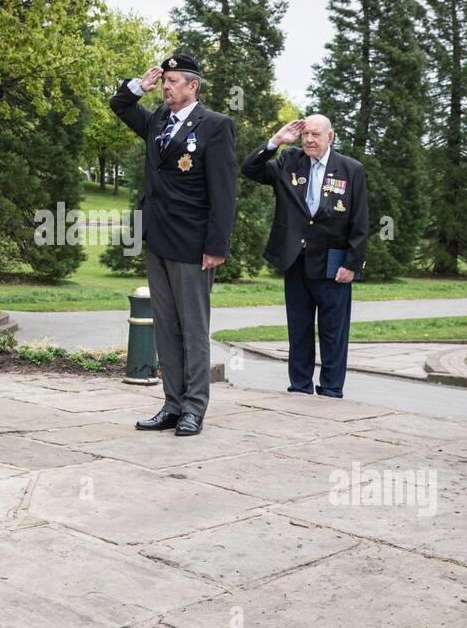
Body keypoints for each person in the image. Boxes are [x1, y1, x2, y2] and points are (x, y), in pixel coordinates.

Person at [109, 54, 237, 436]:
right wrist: (137, 87)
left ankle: (195, 407)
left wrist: (217, 245)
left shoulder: (214, 126)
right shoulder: (158, 122)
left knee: (193, 328)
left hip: (194, 245)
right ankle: (172, 403)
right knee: (165, 326)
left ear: (193, 86)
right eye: (164, 80)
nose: (166, 86)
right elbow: (120, 105)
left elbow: (224, 191)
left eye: (174, 81)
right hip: (159, 239)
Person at [241, 114, 368, 397]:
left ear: (330, 137)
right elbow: (250, 169)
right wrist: (275, 141)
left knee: (333, 333)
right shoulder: (289, 162)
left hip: (333, 265)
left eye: (315, 135)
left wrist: (352, 264)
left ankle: (332, 390)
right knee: (299, 330)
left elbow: (360, 222)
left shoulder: (350, 169)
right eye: (305, 134)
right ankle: (299, 387)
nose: (309, 140)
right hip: (295, 260)